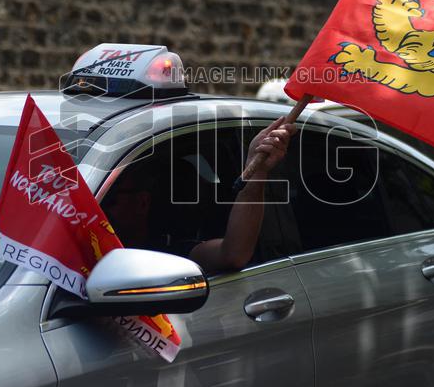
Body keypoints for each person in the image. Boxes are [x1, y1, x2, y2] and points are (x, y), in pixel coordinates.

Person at [101, 117, 297, 274]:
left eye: (109, 199)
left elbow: (233, 253)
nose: (95, 210)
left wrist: (258, 171)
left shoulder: (171, 253)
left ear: (142, 202)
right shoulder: (78, 249)